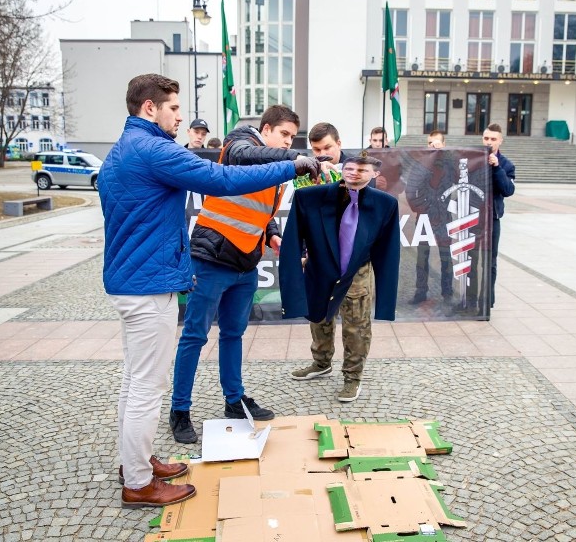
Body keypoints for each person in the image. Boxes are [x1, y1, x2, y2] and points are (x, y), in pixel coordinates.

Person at [99, 74, 321, 508]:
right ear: (150, 108)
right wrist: (292, 164)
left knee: (133, 379)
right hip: (149, 284)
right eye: (174, 108)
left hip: (131, 279)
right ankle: (139, 483)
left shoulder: (122, 149)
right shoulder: (153, 148)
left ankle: (137, 461)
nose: (180, 117)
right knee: (147, 386)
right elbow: (220, 179)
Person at [170, 105, 331, 444]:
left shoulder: (272, 169)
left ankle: (234, 399)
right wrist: (295, 160)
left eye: (292, 137)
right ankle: (180, 409)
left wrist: (271, 232)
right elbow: (244, 157)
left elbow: (258, 208)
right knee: (195, 336)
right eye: (284, 134)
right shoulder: (239, 142)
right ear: (266, 129)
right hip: (211, 258)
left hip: (245, 263)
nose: (288, 142)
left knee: (233, 334)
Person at [282, 155, 401, 402]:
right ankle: (321, 362)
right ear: (341, 170)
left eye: (362, 169)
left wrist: (387, 297)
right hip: (321, 270)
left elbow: (388, 251)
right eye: (349, 168)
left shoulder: (385, 204)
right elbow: (294, 238)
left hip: (357, 272)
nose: (355, 173)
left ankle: (352, 378)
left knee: (357, 327)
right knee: (319, 319)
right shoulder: (310, 197)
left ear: (374, 174)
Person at [470, 123, 516, 308]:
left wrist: (497, 168)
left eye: (493, 139)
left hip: (493, 219)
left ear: (500, 141)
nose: (489, 142)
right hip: (473, 217)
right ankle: (471, 300)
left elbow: (508, 190)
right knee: (471, 260)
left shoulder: (506, 164)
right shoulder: (472, 160)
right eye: (486, 138)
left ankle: (487, 300)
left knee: (489, 262)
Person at [409, 130, 454, 306]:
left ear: (443, 144)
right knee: (422, 255)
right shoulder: (421, 163)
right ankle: (421, 291)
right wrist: (422, 207)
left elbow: (460, 175)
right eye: (429, 143)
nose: (432, 146)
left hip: (443, 216)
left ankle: (447, 291)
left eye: (436, 143)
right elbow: (411, 190)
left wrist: (445, 154)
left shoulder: (449, 163)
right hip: (424, 215)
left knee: (446, 255)